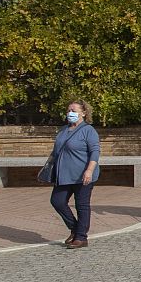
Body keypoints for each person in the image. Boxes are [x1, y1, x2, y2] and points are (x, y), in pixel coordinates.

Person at [50, 99, 100, 249]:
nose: (70, 113)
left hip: (83, 175)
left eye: (74, 111)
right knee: (57, 201)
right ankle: (75, 228)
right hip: (64, 175)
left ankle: (81, 237)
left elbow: (95, 152)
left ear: (83, 113)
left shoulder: (88, 130)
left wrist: (89, 170)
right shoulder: (63, 130)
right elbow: (56, 151)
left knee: (82, 205)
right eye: (68, 110)